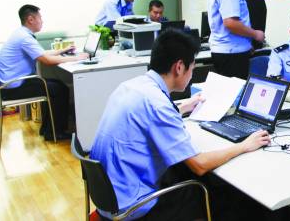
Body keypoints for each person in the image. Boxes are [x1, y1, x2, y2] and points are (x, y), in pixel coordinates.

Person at [90, 29, 271, 220]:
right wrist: (244, 145)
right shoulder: (158, 105)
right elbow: (200, 165)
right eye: (192, 68)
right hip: (134, 207)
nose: (191, 74)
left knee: (185, 170)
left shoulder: (131, 86)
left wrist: (182, 108)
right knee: (227, 196)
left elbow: (148, 120)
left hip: (111, 195)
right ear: (179, 67)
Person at [0, 4, 88, 140]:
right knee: (59, 89)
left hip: (11, 84)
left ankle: (47, 129)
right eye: (40, 17)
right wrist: (76, 58)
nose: (42, 21)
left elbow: (41, 54)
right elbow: (47, 60)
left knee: (54, 86)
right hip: (14, 88)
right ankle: (55, 132)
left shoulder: (21, 34)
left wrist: (63, 50)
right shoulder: (25, 38)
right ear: (31, 19)